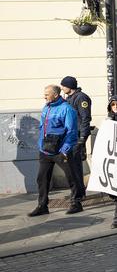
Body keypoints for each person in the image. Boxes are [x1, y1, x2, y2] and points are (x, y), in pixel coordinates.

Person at [29, 85, 80, 217]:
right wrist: (40, 145)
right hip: (45, 151)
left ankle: (76, 203)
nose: (44, 96)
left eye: (47, 94)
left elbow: (72, 132)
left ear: (56, 95)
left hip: (61, 151)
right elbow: (42, 128)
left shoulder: (67, 109)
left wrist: (65, 150)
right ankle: (42, 206)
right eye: (44, 93)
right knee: (42, 178)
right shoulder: (46, 107)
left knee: (71, 177)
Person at [58, 76, 90, 213]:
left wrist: (82, 137)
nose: (62, 88)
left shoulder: (81, 98)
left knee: (75, 168)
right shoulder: (69, 99)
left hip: (76, 138)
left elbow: (85, 118)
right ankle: (79, 193)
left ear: (69, 86)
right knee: (73, 167)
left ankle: (77, 197)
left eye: (63, 86)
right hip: (69, 138)